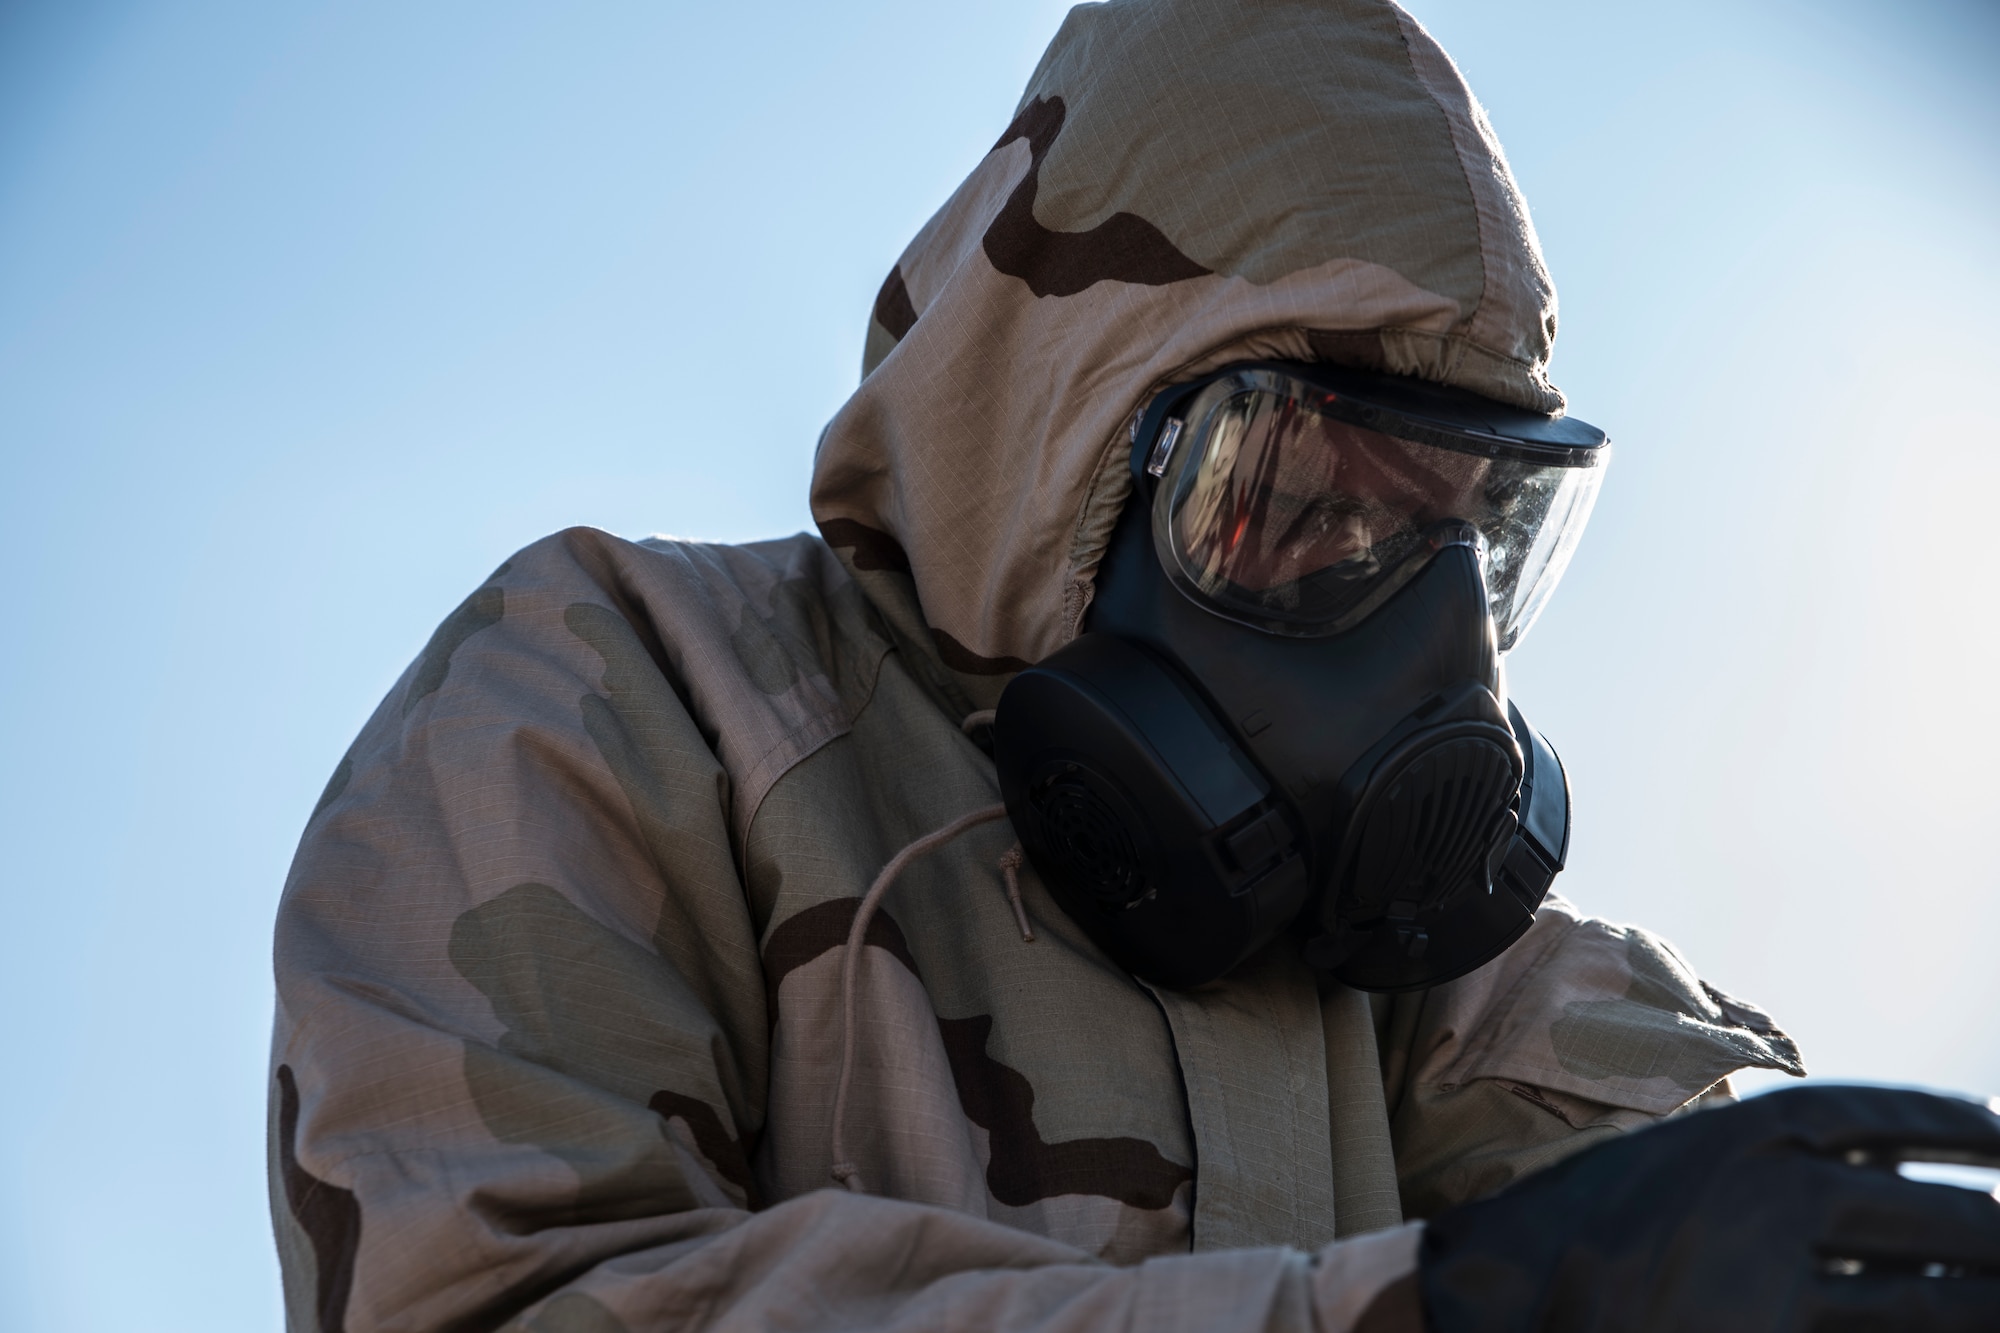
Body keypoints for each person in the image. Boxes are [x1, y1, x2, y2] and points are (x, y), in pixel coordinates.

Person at [269, 2, 2000, 1330]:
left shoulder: (1479, 986)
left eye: (1472, 535)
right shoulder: (631, 700)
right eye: (1307, 499)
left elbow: (1676, 1219)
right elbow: (507, 1298)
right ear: (1059, 450)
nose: (1429, 640)